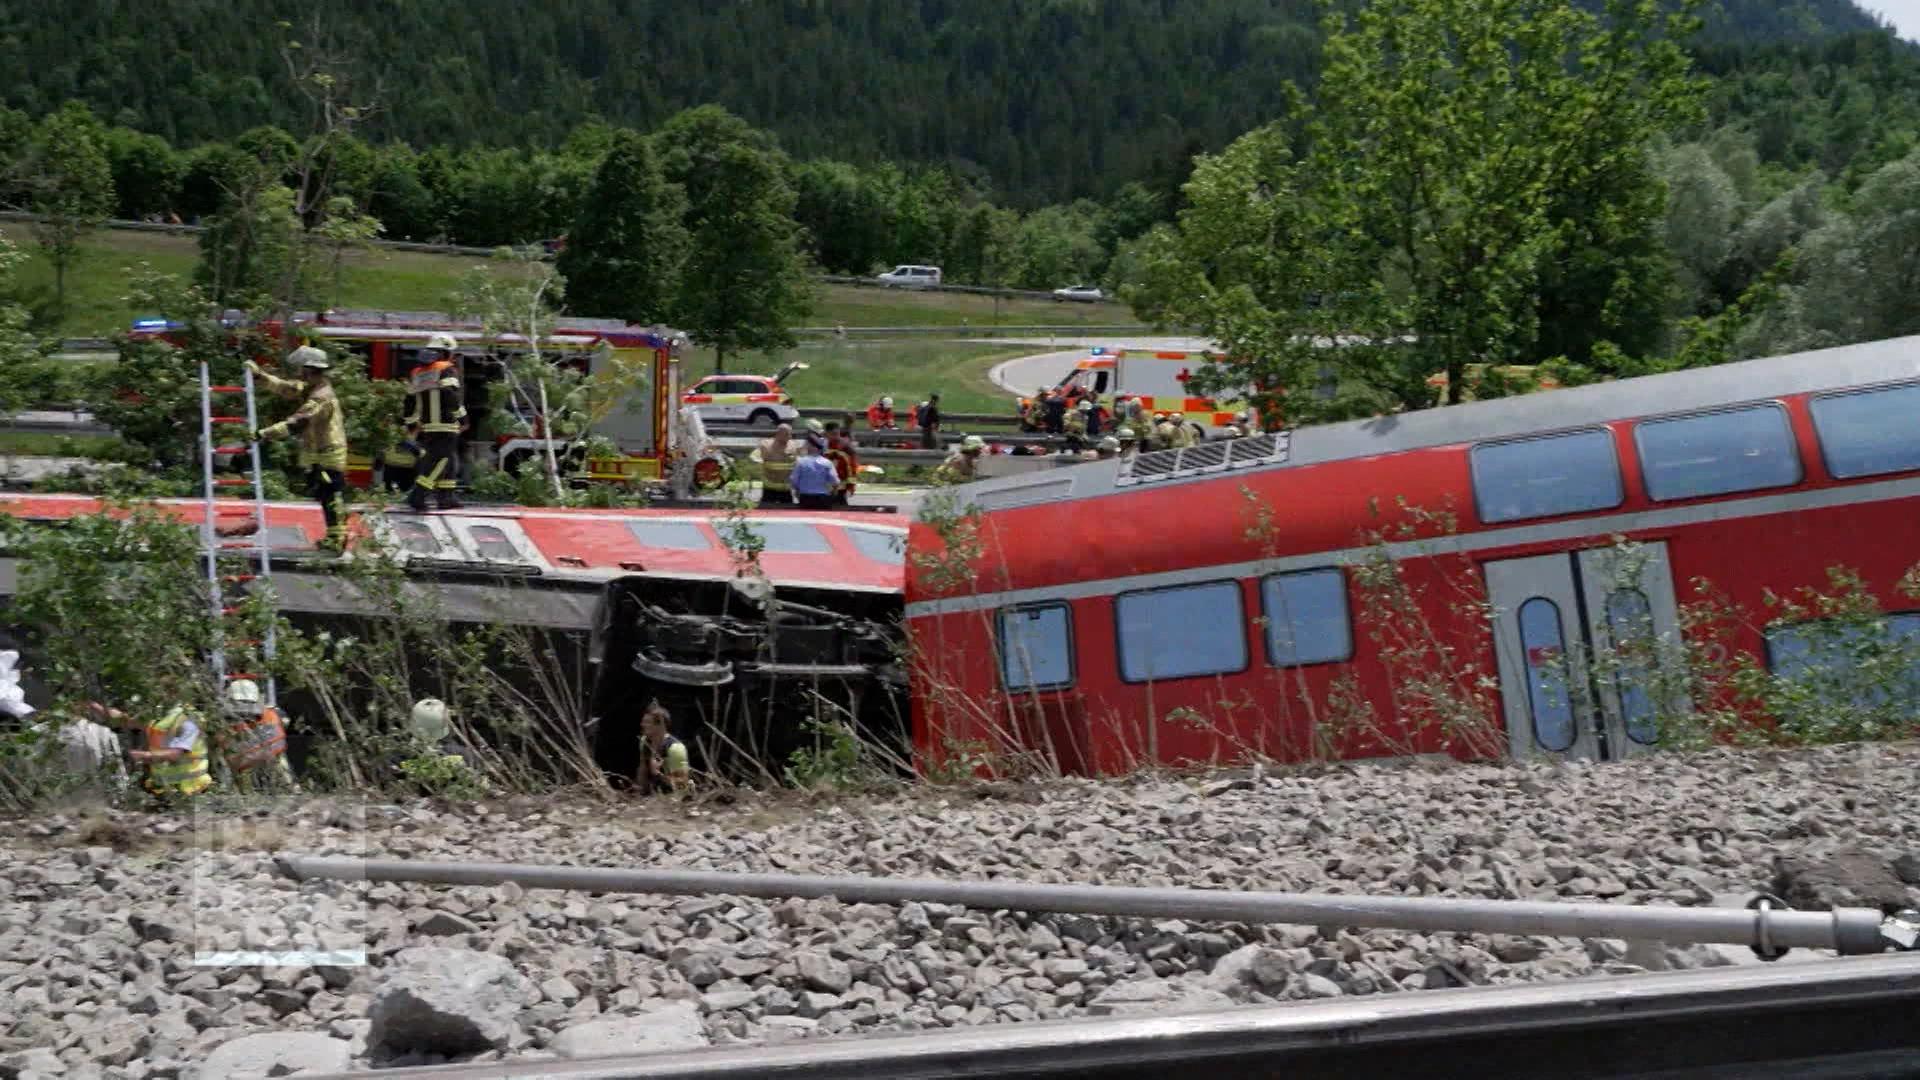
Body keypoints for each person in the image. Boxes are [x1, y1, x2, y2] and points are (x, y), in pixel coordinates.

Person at [249, 346, 350, 551]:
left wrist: (264, 434)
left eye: (301, 369)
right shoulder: (310, 387)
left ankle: (337, 540)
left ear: (309, 370)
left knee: (331, 495)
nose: (298, 373)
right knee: (323, 494)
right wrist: (259, 376)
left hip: (328, 454)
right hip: (318, 453)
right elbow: (285, 388)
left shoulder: (321, 396)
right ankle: (334, 537)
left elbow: (298, 423)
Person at [402, 333, 466, 512]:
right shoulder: (447, 369)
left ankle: (446, 497)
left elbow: (409, 401)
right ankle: (419, 494)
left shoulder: (418, 373)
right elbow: (451, 395)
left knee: (448, 459)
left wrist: (410, 423)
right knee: (441, 460)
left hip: (427, 426)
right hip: (446, 424)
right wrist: (463, 417)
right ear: (446, 353)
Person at [125, 699, 213, 802]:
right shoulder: (158, 713)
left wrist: (144, 755)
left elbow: (176, 754)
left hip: (192, 791)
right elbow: (128, 722)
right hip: (163, 789)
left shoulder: (189, 719)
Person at [218, 679, 296, 793]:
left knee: (279, 757)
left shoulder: (269, 714)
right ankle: (291, 786)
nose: (245, 708)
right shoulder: (227, 716)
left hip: (259, 747)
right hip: (248, 751)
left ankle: (291, 785)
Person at [639, 700, 690, 796]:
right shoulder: (644, 742)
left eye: (647, 722)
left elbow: (681, 787)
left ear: (661, 725)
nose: (642, 725)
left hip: (672, 799)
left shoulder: (675, 748)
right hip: (650, 798)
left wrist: (657, 773)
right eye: (643, 722)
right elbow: (642, 770)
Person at [755, 423, 796, 506]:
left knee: (789, 511)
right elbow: (755, 460)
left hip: (785, 489)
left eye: (790, 434)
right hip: (770, 488)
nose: (789, 437)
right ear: (778, 434)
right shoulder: (765, 445)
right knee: (766, 511)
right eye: (787, 434)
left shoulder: (793, 445)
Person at [791, 444, 840, 509]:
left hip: (805, 497)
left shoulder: (800, 462)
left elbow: (794, 480)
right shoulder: (827, 462)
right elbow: (835, 480)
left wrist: (797, 491)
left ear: (808, 449)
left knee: (805, 515)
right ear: (820, 450)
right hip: (823, 497)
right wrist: (834, 491)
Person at [824, 421, 859, 506]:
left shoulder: (846, 447)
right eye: (833, 434)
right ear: (826, 434)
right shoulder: (823, 446)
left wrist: (851, 487)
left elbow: (853, 468)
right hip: (826, 487)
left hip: (841, 487)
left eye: (837, 434)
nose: (836, 436)